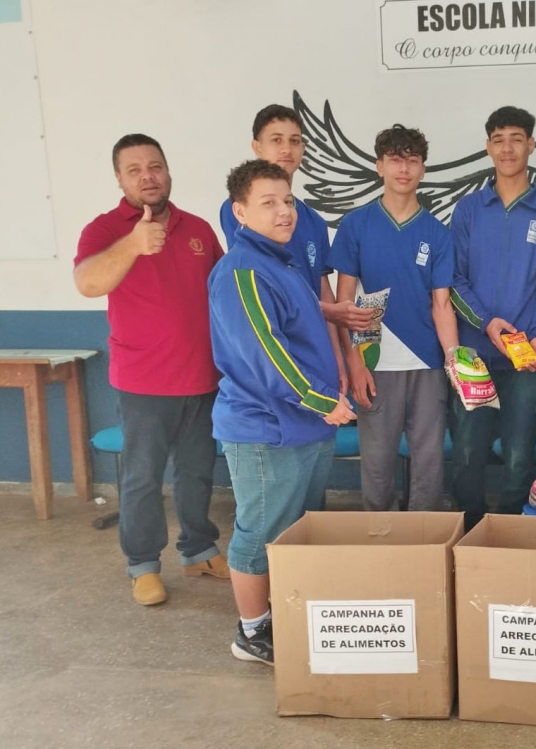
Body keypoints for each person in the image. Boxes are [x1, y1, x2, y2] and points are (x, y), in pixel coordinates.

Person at [209, 159, 356, 664]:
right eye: (268, 202)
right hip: (266, 428)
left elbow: (302, 332)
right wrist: (320, 401)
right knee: (261, 531)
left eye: (288, 200)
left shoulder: (283, 262)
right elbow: (265, 353)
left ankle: (280, 614)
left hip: (305, 424)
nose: (283, 211)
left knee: (291, 528)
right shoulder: (243, 270)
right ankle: (252, 633)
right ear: (240, 212)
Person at [74, 134, 229, 606]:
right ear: (119, 179)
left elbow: (224, 295)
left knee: (198, 473)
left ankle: (198, 549)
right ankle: (142, 565)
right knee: (142, 478)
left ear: (167, 171)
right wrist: (134, 244)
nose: (148, 176)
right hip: (143, 383)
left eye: (155, 166)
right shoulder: (103, 231)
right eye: (135, 169)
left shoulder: (199, 227)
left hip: (202, 379)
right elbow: (88, 283)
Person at [332, 125, 458, 512]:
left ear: (422, 169)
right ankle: (381, 539)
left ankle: (423, 542)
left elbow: (442, 305)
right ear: (379, 166)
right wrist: (355, 364)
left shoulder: (437, 233)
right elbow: (344, 301)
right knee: (377, 464)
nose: (404, 169)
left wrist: (454, 361)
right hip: (375, 362)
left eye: (412, 161)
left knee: (429, 464)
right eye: (395, 160)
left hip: (428, 364)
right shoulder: (356, 224)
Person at [449, 106, 536, 530]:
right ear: (488, 147)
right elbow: (454, 281)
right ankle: (469, 531)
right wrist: (487, 324)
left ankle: (511, 531)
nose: (508, 147)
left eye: (516, 138)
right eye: (498, 139)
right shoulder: (468, 211)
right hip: (474, 354)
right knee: (466, 452)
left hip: (526, 357)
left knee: (519, 455)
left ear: (531, 145)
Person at [219, 104, 373, 401]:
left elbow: (322, 288)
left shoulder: (312, 220)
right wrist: (332, 311)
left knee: (317, 441)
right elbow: (266, 293)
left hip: (316, 357)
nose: (286, 149)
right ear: (257, 147)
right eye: (276, 140)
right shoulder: (238, 211)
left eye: (295, 140)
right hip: (273, 361)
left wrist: (339, 361)